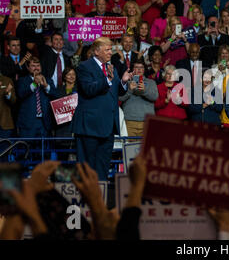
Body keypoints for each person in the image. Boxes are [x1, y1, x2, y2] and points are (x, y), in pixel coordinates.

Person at [72, 37, 132, 181]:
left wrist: (123, 82)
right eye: (107, 49)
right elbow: (88, 89)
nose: (110, 52)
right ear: (97, 51)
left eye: (111, 49)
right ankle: (85, 200)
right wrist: (108, 80)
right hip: (90, 127)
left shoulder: (111, 67)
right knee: (87, 168)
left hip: (108, 127)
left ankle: (100, 199)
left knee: (103, 167)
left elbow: (117, 92)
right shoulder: (84, 67)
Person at [16, 57, 58, 138]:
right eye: (33, 66)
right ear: (28, 68)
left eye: (38, 65)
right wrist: (34, 84)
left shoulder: (48, 80)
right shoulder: (22, 81)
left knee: (44, 149)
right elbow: (20, 95)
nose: (36, 68)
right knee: (27, 148)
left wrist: (46, 86)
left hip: (44, 122)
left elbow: (56, 96)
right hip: (28, 123)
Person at [119, 60, 158, 137]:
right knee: (129, 148)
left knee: (145, 148)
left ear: (144, 69)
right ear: (132, 69)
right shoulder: (126, 81)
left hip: (146, 122)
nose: (139, 69)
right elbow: (120, 98)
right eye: (136, 67)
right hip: (129, 121)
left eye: (141, 67)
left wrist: (144, 90)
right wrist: (130, 90)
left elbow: (154, 97)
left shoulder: (151, 82)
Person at [0, 72, 16, 138]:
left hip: (4, 124)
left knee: (6, 148)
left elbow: (13, 101)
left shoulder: (7, 80)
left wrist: (8, 94)